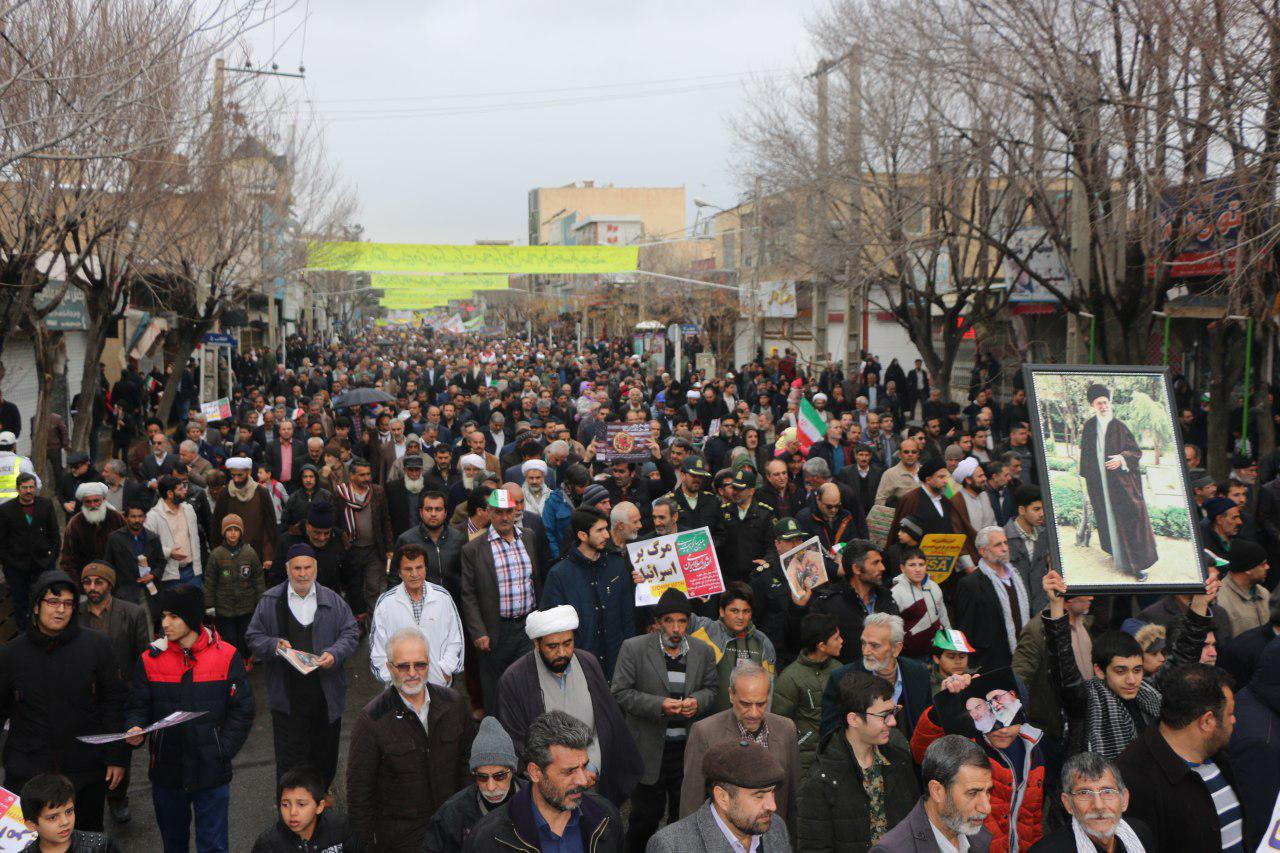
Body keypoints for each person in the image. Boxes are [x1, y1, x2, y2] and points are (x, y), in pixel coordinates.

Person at [124, 584, 255, 853]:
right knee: (174, 845)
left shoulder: (227, 655)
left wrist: (222, 748)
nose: (165, 623)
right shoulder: (150, 659)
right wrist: (134, 726)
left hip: (211, 770)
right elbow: (137, 705)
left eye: (173, 616)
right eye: (163, 616)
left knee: (214, 846)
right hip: (166, 771)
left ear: (192, 618)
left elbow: (242, 709)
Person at [0, 570, 126, 834]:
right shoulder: (11, 655)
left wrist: (116, 757)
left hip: (85, 771)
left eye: (68, 603)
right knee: (29, 844)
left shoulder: (97, 646)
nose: (60, 610)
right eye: (53, 602)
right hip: (28, 775)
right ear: (36, 606)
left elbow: (112, 702)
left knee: (87, 839)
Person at [1043, 568, 1216, 759]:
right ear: (1099, 670)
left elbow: (1184, 655)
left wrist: (1200, 604)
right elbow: (1062, 664)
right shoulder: (1084, 701)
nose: (1132, 680)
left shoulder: (1152, 691)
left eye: (1137, 670)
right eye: (1120, 671)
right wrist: (1056, 605)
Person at [496, 605, 642, 807]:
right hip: (549, 788)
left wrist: (591, 768)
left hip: (592, 776)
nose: (562, 652)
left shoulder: (588, 663)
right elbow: (517, 742)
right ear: (537, 645)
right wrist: (562, 775)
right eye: (552, 646)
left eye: (567, 643)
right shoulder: (515, 679)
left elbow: (606, 725)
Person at [245, 543, 360, 791]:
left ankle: (320, 802)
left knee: (325, 756)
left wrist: (334, 653)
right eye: (296, 568)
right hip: (287, 699)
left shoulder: (333, 600)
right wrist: (274, 645)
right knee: (290, 760)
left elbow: (351, 632)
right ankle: (291, 810)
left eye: (307, 567)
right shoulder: (270, 601)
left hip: (325, 697)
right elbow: (253, 636)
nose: (302, 573)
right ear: (287, 570)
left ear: (315, 569)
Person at [347, 626, 474, 851]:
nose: (413, 673)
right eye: (403, 666)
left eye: (420, 664)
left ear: (429, 663)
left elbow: (468, 763)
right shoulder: (372, 719)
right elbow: (360, 793)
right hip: (402, 841)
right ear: (389, 667)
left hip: (452, 830)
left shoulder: (454, 704)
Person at [611, 589, 718, 853]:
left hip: (686, 751)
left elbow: (712, 689)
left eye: (682, 621)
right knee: (644, 820)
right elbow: (620, 693)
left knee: (683, 818)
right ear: (658, 623)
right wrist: (659, 705)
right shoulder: (633, 648)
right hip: (648, 750)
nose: (676, 628)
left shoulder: (703, 651)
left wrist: (697, 702)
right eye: (669, 621)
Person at [1116, 664, 1243, 853]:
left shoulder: (1220, 755)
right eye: (1230, 714)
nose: (1234, 720)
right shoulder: (1133, 779)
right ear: (1207, 721)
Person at [465, 711, 625, 852]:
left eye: (584, 767)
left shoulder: (606, 817)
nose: (583, 781)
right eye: (569, 771)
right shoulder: (488, 839)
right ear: (535, 773)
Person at [798, 670, 920, 850]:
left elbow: (915, 825)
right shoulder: (821, 780)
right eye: (884, 715)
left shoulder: (899, 759)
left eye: (894, 712)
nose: (893, 722)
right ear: (853, 719)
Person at [678, 663, 800, 826]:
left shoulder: (786, 729)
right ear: (731, 695)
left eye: (761, 704)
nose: (754, 713)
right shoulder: (705, 733)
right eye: (746, 704)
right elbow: (691, 803)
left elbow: (794, 797)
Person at [77, 561, 150, 825]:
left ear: (110, 584)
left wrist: (138, 695)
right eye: (87, 582)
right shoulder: (75, 613)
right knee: (88, 749)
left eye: (98, 582)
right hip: (84, 696)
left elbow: (143, 657)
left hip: (120, 694)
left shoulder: (132, 613)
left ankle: (118, 798)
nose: (92, 588)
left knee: (119, 750)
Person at [461, 482, 543, 713]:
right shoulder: (474, 549)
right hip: (495, 631)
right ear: (489, 512)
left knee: (528, 685)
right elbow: (468, 595)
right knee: (495, 691)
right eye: (498, 512)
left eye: (509, 511)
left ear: (516, 511)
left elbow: (538, 581)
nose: (504, 517)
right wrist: (479, 632)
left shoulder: (529, 537)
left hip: (527, 628)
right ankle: (497, 742)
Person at [646, 739, 791, 853]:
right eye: (759, 796)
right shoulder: (671, 846)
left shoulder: (776, 827)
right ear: (723, 798)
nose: (772, 806)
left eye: (772, 792)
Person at [541, 506, 635, 678]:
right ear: (582, 536)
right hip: (581, 667)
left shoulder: (617, 565)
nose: (607, 535)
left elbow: (627, 616)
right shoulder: (559, 575)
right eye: (599, 530)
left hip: (619, 664)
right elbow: (552, 628)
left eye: (606, 528)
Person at [1078, 384, 1158, 581]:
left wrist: (1121, 458)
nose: (1103, 406)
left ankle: (1139, 566)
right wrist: (1091, 482)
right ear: (1092, 405)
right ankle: (1120, 557)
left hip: (1122, 486)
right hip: (1101, 486)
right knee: (1108, 520)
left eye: (1105, 402)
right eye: (1099, 403)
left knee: (1132, 519)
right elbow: (1086, 457)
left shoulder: (1119, 426)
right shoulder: (1089, 427)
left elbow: (1136, 452)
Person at [869, 734, 994, 852]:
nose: (986, 808)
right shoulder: (893, 850)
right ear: (937, 791)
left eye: (988, 791)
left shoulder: (980, 837)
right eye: (972, 793)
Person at [820, 613, 933, 742]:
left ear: (896, 648)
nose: (865, 652)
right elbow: (829, 733)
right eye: (863, 643)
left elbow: (927, 724)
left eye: (875, 645)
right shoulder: (841, 678)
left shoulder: (918, 672)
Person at [368, 543, 465, 689]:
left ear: (426, 568)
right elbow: (377, 648)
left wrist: (445, 669)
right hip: (400, 688)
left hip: (438, 684)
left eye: (419, 567)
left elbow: (455, 639)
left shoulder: (442, 597)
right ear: (399, 572)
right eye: (408, 569)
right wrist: (391, 678)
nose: (414, 574)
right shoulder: (386, 603)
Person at [422, 716, 523, 853]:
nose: (491, 786)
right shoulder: (452, 814)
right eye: (482, 777)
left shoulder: (536, 800)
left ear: (512, 771)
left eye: (500, 776)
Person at [1026, 752, 1155, 852]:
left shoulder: (1140, 833)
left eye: (1107, 791)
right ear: (1068, 804)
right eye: (1084, 793)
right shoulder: (1045, 851)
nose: (1098, 806)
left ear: (1124, 799)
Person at [772, 612, 844, 776]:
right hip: (803, 762)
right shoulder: (790, 678)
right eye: (836, 638)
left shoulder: (839, 670)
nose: (841, 641)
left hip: (835, 755)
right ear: (821, 646)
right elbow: (779, 724)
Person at [689, 582, 778, 711]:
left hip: (748, 722)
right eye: (734, 611)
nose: (740, 617)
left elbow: (769, 690)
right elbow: (676, 613)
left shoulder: (763, 642)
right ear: (721, 611)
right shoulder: (704, 628)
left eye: (746, 611)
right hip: (707, 722)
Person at [956, 526, 1030, 673]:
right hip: (991, 664)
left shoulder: (1017, 576)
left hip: (1024, 658)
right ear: (983, 551)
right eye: (998, 545)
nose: (1004, 548)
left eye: (1005, 543)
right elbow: (966, 630)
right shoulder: (970, 584)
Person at [333, 457, 395, 621]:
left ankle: (374, 624)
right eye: (362, 475)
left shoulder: (378, 492)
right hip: (351, 551)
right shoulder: (341, 494)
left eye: (368, 474)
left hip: (374, 550)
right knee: (355, 589)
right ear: (352, 476)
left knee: (373, 588)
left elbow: (385, 520)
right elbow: (336, 521)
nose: (367, 478)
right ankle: (357, 623)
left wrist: (389, 548)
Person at [250, 767, 359, 853]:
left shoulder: (341, 827)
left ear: (320, 807)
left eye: (301, 804)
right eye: (285, 804)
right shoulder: (269, 844)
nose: (292, 812)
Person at [0, 472, 60, 628]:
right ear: (18, 489)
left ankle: (46, 630)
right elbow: (2, 542)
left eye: (31, 487)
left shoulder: (45, 505)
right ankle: (24, 634)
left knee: (46, 600)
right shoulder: (6, 510)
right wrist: (10, 563)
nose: (28, 491)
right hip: (17, 568)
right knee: (20, 604)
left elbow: (54, 534)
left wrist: (51, 558)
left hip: (44, 565)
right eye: (25, 487)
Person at [204, 514, 265, 666]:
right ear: (223, 532)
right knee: (229, 638)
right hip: (224, 608)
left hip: (247, 605)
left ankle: (247, 658)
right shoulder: (216, 554)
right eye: (229, 530)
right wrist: (209, 605)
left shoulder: (250, 553)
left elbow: (258, 579)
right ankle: (233, 663)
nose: (232, 533)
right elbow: (210, 581)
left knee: (247, 635)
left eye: (236, 530)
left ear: (241, 532)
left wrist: (261, 602)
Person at [18, 773, 124, 853]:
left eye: (69, 811)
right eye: (53, 817)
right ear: (31, 825)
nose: (65, 822)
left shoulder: (101, 846)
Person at [393, 489, 463, 598]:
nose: (433, 514)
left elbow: (466, 577)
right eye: (428, 509)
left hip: (454, 604)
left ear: (445, 513)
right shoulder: (406, 540)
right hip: (418, 604)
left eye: (438, 509)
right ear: (421, 512)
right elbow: (394, 578)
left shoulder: (458, 538)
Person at [145, 476, 204, 590]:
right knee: (173, 607)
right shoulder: (153, 517)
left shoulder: (189, 509)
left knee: (196, 606)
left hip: (193, 571)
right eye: (180, 489)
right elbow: (148, 546)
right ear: (170, 493)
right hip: (169, 575)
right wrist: (168, 552)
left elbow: (195, 538)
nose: (185, 491)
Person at [103, 500, 165, 609]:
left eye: (140, 516)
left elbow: (161, 562)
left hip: (147, 593)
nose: (137, 520)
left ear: (145, 518)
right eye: (133, 517)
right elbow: (108, 565)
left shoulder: (153, 538)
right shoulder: (115, 538)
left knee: (147, 624)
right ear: (126, 518)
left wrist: (153, 575)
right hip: (123, 594)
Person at [58, 482, 124, 582]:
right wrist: (76, 585)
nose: (92, 505)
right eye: (88, 502)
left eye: (96, 501)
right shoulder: (75, 523)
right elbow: (67, 560)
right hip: (85, 583)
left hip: (115, 582)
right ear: (83, 503)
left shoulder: (116, 518)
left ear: (104, 500)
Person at [891, 548, 951, 660]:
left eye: (921, 564)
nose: (917, 569)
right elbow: (893, 629)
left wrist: (950, 640)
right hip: (910, 655)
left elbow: (943, 615)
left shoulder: (934, 586)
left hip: (936, 651)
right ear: (902, 568)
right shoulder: (895, 593)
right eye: (912, 565)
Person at [1218, 539, 1271, 642]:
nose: (1268, 567)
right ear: (1248, 569)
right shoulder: (1220, 599)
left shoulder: (1265, 594)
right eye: (1263, 564)